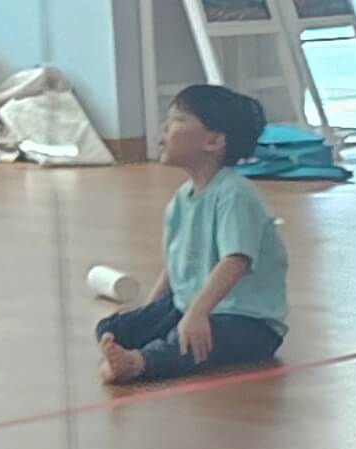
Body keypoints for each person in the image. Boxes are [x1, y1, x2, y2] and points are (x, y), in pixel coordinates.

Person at [94, 86, 290, 387]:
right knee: (112, 327)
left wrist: (198, 313)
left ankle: (140, 362)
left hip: (245, 321)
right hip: (190, 305)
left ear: (213, 141)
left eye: (177, 120)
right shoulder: (180, 200)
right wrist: (151, 310)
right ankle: (139, 350)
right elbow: (173, 266)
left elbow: (235, 260)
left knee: (198, 338)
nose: (164, 128)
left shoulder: (235, 194)